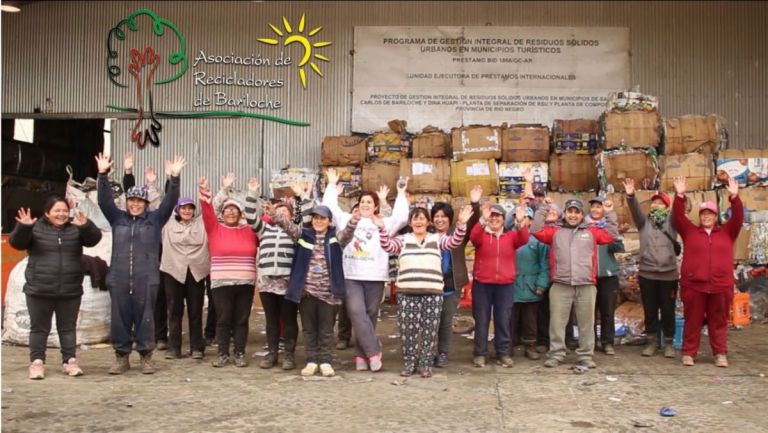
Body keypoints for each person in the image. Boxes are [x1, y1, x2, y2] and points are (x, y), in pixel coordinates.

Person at [96, 153, 184, 375]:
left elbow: (170, 201)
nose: (135, 204)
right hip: (119, 277)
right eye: (132, 201)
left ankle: (146, 356)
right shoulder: (117, 219)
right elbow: (103, 200)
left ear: (146, 204)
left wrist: (174, 177)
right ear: (127, 203)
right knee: (119, 317)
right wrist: (102, 174)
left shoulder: (155, 220)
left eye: (139, 201)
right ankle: (121, 357)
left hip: (147, 278)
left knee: (146, 318)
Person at [322, 169, 409, 372]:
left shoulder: (384, 223)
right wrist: (332, 185)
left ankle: (361, 356)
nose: (365, 205)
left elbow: (402, 217)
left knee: (370, 314)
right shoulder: (346, 220)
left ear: (375, 205)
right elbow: (330, 208)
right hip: (351, 275)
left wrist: (401, 193)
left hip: (376, 276)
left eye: (369, 202)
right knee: (356, 312)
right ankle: (373, 350)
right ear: (358, 206)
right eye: (362, 202)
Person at [9, 198, 102, 379]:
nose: (61, 214)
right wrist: (24, 227)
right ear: (47, 213)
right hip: (39, 289)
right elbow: (16, 243)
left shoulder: (75, 229)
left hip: (70, 289)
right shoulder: (35, 229)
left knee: (67, 328)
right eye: (57, 211)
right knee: (39, 329)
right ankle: (37, 363)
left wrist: (86, 226)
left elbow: (94, 240)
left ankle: (70, 361)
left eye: (65, 211)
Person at [378, 205, 473, 377]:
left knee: (430, 330)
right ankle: (409, 364)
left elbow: (455, 242)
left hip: (432, 293)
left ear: (428, 222)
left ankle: (425, 365)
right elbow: (387, 246)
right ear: (410, 222)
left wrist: (461, 224)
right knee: (408, 331)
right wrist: (382, 228)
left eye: (422, 218)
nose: (419, 222)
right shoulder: (403, 239)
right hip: (407, 293)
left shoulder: (436, 239)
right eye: (415, 218)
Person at [531, 197, 618, 369]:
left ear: (581, 214)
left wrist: (609, 213)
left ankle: (586, 355)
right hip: (560, 284)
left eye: (576, 212)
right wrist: (543, 208)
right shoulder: (555, 231)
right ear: (565, 213)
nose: (573, 215)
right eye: (570, 211)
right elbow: (535, 230)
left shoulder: (592, 232)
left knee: (587, 323)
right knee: (557, 323)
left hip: (586, 284)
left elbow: (611, 235)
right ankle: (556, 353)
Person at [272, 205, 357, 377]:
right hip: (307, 292)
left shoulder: (335, 237)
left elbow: (347, 234)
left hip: (329, 293)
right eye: (316, 218)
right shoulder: (303, 234)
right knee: (309, 329)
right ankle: (311, 360)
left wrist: (353, 222)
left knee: (326, 330)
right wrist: (275, 213)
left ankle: (325, 361)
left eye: (322, 218)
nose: (318, 221)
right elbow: (288, 226)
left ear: (329, 221)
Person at [673, 175, 742, 368]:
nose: (706, 216)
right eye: (703, 213)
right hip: (694, 286)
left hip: (721, 286)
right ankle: (688, 353)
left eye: (710, 214)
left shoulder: (727, 232)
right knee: (692, 321)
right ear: (700, 216)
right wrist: (679, 196)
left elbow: (738, 218)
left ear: (715, 216)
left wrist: (734, 198)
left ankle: (720, 353)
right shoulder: (690, 232)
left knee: (718, 321)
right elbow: (678, 217)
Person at [244, 178, 313, 371]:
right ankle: (272, 354)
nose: (280, 214)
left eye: (285, 212)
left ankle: (289, 355)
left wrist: (301, 196)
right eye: (278, 211)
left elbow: (307, 217)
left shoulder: (295, 232)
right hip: (267, 283)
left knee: (289, 318)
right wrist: (251, 193)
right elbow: (250, 216)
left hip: (287, 283)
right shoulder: (264, 229)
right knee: (271, 320)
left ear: (290, 216)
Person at [198, 177, 259, 368]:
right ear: (222, 214)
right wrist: (209, 191)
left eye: (235, 210)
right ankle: (222, 353)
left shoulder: (250, 230)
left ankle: (240, 353)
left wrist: (252, 193)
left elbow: (261, 216)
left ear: (240, 214)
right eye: (227, 210)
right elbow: (207, 211)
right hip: (221, 283)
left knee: (241, 320)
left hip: (245, 283)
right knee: (223, 319)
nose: (231, 212)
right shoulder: (214, 228)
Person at [623, 178, 679, 358]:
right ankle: (652, 341)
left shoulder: (672, 224)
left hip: (668, 275)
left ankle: (669, 342)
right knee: (650, 309)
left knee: (668, 309)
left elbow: (679, 212)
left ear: (667, 208)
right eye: (654, 203)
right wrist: (631, 196)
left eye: (660, 204)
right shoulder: (644, 223)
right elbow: (635, 211)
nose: (656, 206)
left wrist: (680, 195)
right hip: (647, 274)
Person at [470, 202, 529, 368]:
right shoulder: (481, 235)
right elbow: (473, 236)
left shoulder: (511, 236)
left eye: (498, 216)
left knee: (503, 319)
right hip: (482, 284)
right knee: (481, 319)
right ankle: (480, 353)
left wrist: (520, 221)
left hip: (505, 285)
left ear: (504, 220)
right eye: (492, 215)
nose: (494, 219)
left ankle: (503, 353)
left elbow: (524, 238)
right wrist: (482, 218)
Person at [430, 186, 482, 368]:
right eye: (436, 216)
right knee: (429, 321)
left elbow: (473, 222)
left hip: (452, 284)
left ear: (450, 219)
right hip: (429, 285)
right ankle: (428, 352)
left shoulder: (457, 234)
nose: (439, 219)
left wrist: (475, 203)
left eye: (443, 216)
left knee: (445, 321)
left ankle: (442, 353)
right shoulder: (425, 235)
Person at [159, 196, 210, 360]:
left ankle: (197, 347)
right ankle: (174, 348)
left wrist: (217, 191)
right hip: (173, 271)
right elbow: (158, 205)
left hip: (196, 272)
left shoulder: (202, 224)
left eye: (190, 208)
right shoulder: (167, 223)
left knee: (196, 311)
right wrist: (154, 183)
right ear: (177, 210)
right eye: (183, 208)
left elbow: (213, 208)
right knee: (174, 310)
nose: (187, 211)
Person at [509, 207, 550, 361]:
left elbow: (544, 264)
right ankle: (509, 345)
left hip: (531, 286)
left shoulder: (538, 240)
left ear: (532, 220)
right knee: (510, 318)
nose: (520, 220)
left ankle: (530, 345)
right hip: (512, 284)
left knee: (530, 320)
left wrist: (541, 284)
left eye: (525, 217)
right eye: (517, 217)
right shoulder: (509, 236)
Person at [587, 197, 625, 356]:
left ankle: (607, 342)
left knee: (607, 311)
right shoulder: (584, 227)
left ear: (604, 211)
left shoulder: (609, 228)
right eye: (593, 207)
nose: (595, 210)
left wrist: (612, 235)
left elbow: (619, 247)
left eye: (599, 207)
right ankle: (590, 342)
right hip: (588, 276)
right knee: (589, 312)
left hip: (608, 276)